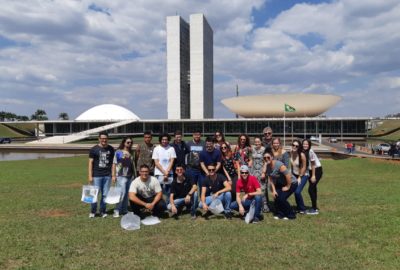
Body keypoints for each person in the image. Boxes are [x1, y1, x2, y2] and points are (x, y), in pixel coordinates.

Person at [263, 147, 297, 220]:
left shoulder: (279, 165)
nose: (266, 159)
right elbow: (271, 178)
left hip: (292, 183)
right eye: (264, 158)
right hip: (281, 183)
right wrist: (274, 190)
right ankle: (280, 214)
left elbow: (287, 175)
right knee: (276, 197)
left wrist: (288, 186)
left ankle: (291, 214)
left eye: (268, 157)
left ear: (272, 157)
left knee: (282, 198)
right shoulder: (268, 166)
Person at [88, 131, 115, 218]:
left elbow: (113, 163)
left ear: (107, 139)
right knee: (94, 193)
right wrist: (90, 175)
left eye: (105, 138)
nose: (104, 140)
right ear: (99, 139)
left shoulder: (111, 149)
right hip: (97, 175)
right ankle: (93, 211)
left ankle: (103, 211)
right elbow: (90, 163)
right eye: (102, 138)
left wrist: (113, 175)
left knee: (105, 194)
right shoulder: (94, 149)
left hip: (107, 175)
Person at [111, 137, 135, 218]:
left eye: (131, 142)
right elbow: (114, 164)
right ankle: (117, 210)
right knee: (122, 193)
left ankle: (124, 210)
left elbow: (132, 165)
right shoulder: (119, 152)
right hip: (121, 176)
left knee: (127, 194)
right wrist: (113, 175)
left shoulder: (131, 152)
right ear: (124, 143)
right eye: (128, 142)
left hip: (129, 176)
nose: (129, 144)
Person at [152, 133, 176, 203]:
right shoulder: (156, 149)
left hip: (169, 174)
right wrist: (164, 172)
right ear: (160, 140)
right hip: (159, 174)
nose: (164, 141)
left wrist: (167, 172)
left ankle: (168, 205)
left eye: (166, 139)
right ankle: (160, 205)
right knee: (159, 191)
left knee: (169, 191)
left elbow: (172, 161)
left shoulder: (171, 148)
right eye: (163, 139)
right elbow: (156, 163)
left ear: (168, 140)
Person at [302, 139, 323, 215]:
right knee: (313, 188)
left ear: (309, 145)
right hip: (310, 170)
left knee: (311, 189)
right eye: (304, 144)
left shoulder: (310, 152)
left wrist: (313, 176)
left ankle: (314, 209)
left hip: (317, 170)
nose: (305, 145)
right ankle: (314, 207)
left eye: (307, 144)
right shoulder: (304, 151)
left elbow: (313, 164)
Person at [290, 139, 308, 214]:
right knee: (295, 191)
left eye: (296, 146)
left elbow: (304, 167)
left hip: (303, 175)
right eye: (293, 145)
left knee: (297, 191)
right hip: (294, 174)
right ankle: (298, 207)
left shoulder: (302, 155)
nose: (294, 147)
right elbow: (291, 165)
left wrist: (300, 177)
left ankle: (303, 209)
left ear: (299, 147)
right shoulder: (291, 153)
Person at [185, 130, 205, 194]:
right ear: (193, 135)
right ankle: (192, 202)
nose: (197, 136)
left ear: (200, 135)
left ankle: (202, 201)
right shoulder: (188, 144)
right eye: (195, 134)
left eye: (198, 134)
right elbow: (186, 155)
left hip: (201, 169)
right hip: (192, 168)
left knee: (202, 186)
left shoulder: (204, 143)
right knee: (192, 186)